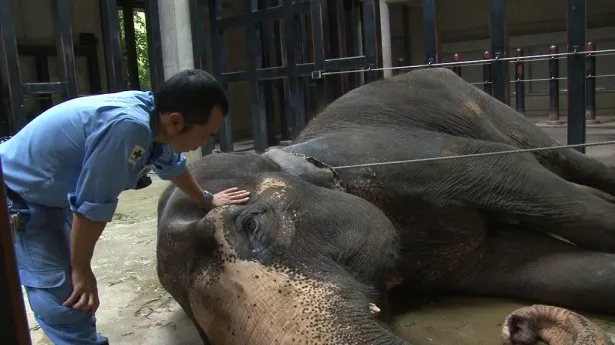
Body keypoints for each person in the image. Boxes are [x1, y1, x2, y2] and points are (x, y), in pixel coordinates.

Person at [0, 69, 250, 345]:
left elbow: (171, 164)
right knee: (67, 297)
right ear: (177, 121)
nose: (205, 143)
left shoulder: (155, 117)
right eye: (207, 135)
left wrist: (206, 199)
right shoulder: (127, 128)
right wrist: (81, 268)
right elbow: (92, 206)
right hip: (19, 194)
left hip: (51, 192)